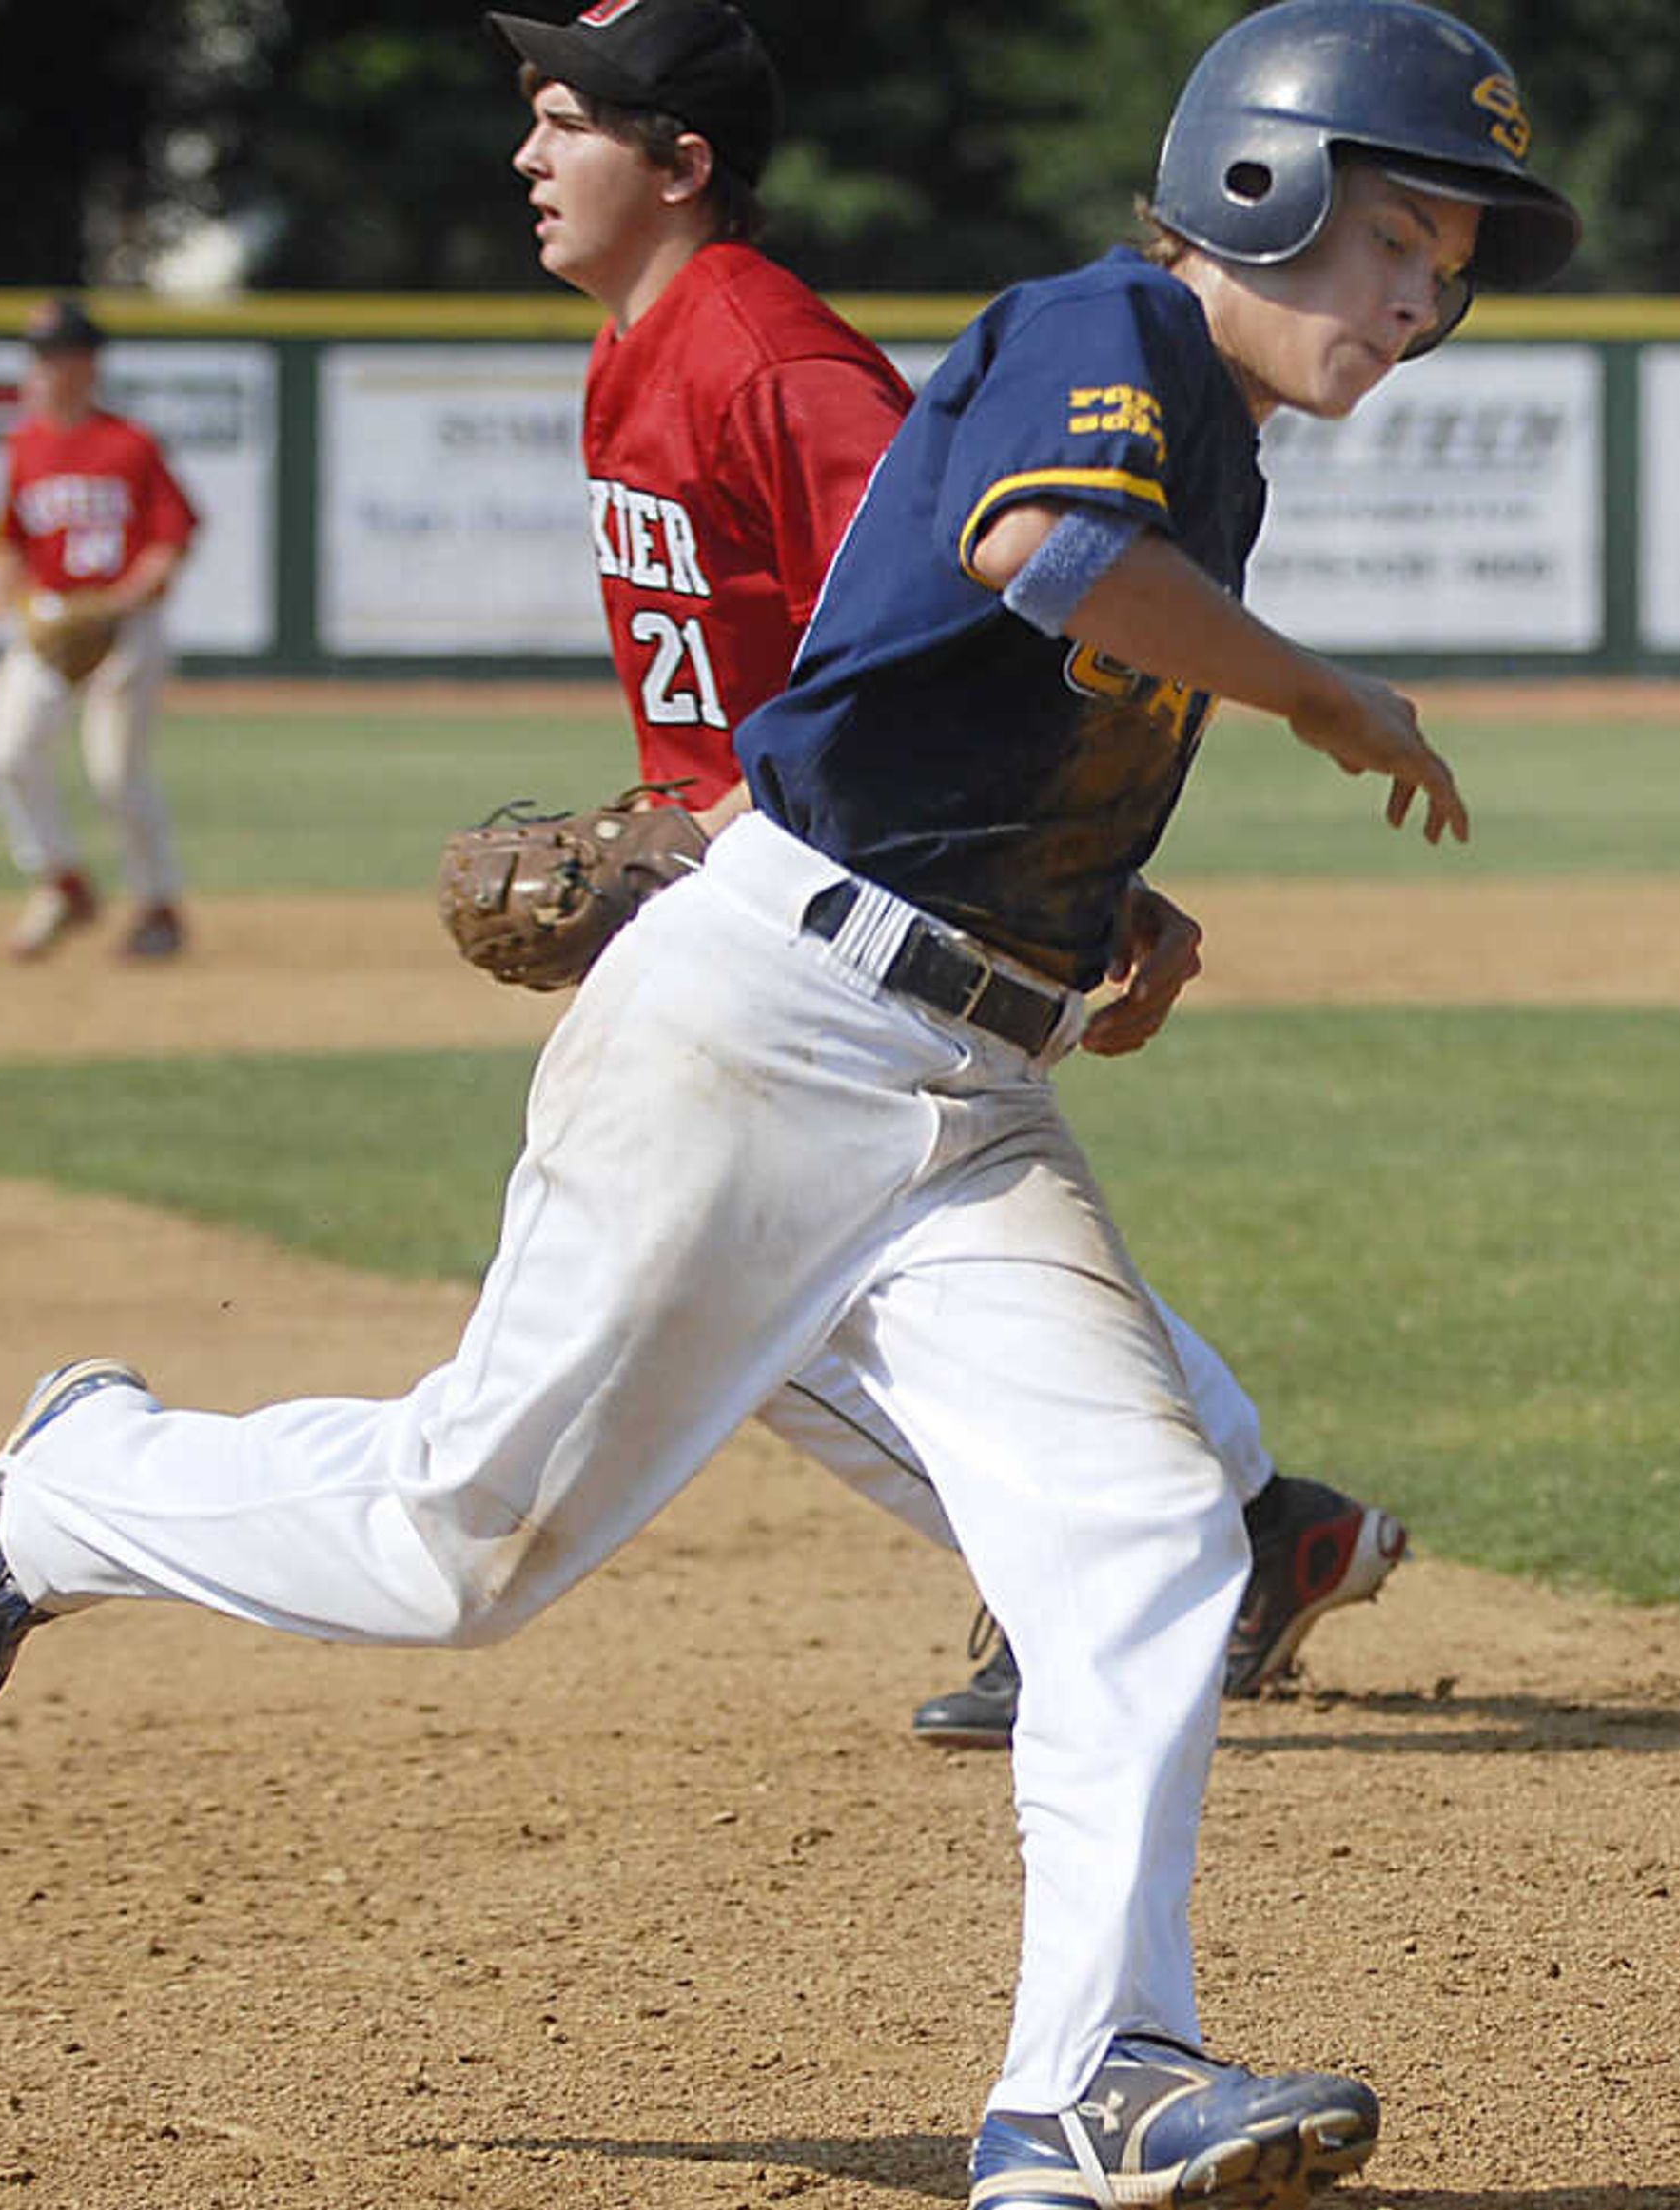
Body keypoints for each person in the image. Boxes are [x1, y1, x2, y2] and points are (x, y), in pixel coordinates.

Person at [0, 0, 1577, 2210]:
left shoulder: (1222, 436)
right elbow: (1051, 563)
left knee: (1150, 1528)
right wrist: (1318, 689)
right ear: (1255, 186)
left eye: (1447, 260)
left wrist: (1099, 905)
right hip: (763, 1024)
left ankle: (1093, 2075)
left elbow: (973, 684)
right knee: (461, 1543)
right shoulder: (1108, 332)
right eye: (1394, 235)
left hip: (965, 1082)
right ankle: (76, 1478)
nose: (1419, 299)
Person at [491, 0, 1404, 1750]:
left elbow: (955, 610)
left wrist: (1053, 859)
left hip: (840, 897)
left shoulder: (772, 360)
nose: (529, 155)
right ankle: (1242, 1530)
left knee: (766, 1304)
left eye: (564, 120)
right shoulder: (636, 345)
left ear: (680, 166)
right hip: (766, 890)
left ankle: (1214, 1536)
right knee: (825, 1284)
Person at [0, 294, 198, 963]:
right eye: (39, 355)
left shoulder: (129, 444)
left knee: (116, 776)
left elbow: (171, 539)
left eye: (59, 355)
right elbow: (9, 537)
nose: (45, 367)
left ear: (88, 364)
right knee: (4, 754)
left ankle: (158, 907)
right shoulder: (23, 444)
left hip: (126, 630)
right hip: (48, 626)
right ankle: (62, 880)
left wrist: (123, 601)